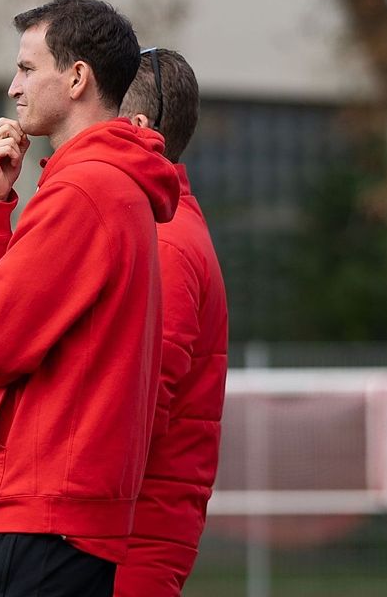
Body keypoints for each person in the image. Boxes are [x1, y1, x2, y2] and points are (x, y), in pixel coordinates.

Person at [0, 0, 180, 597]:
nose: (13, 86)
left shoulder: (83, 190)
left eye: (27, 68)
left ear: (77, 78)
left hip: (40, 510)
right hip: (59, 509)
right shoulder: (112, 184)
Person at [113, 48, 229, 596]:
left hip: (133, 534)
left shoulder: (165, 239)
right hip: (128, 528)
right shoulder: (155, 225)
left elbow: (140, 404)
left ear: (138, 127)